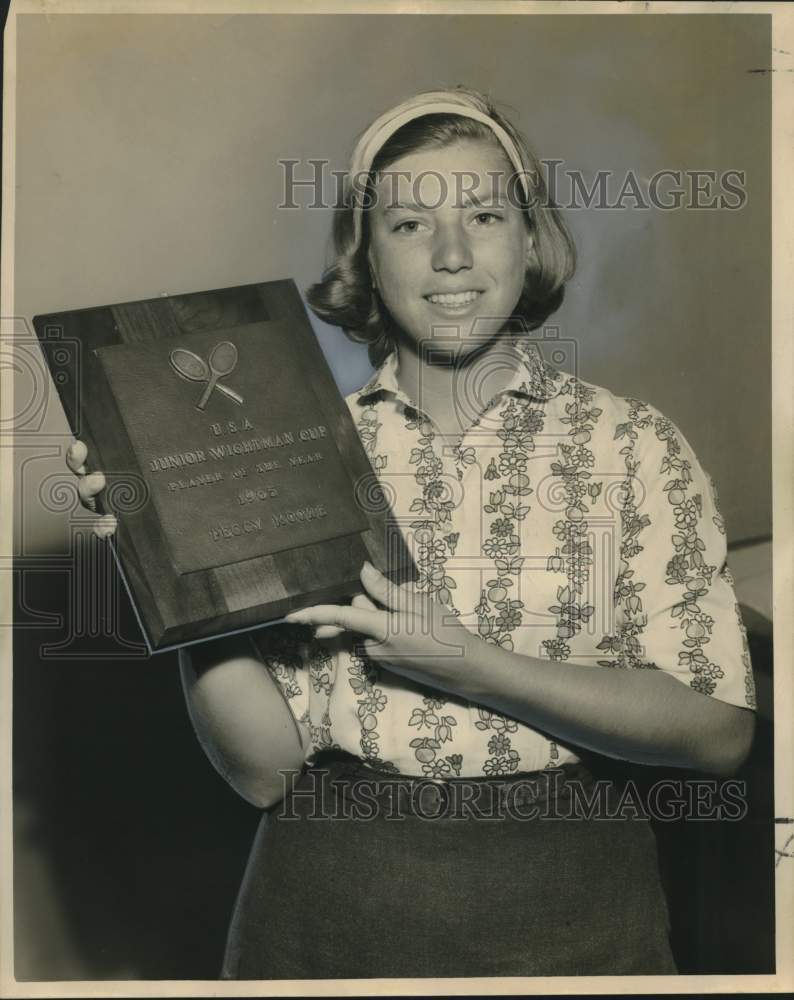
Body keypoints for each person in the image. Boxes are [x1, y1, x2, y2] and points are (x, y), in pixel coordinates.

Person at [67, 87, 756, 979]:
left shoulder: (632, 446)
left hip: (578, 910)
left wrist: (469, 662)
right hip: (326, 915)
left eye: (484, 213)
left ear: (532, 238)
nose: (453, 255)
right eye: (407, 225)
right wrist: (173, 570)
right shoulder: (300, 455)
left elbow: (717, 732)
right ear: (365, 258)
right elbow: (265, 772)